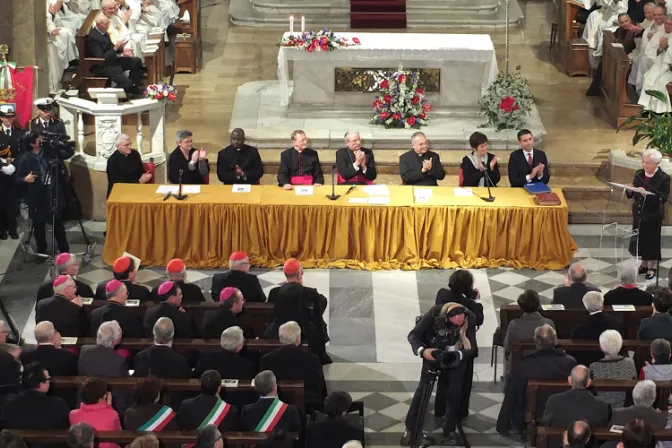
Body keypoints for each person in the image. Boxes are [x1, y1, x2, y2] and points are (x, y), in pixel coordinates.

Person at [401, 303, 476, 446]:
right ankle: (411, 429)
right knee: (422, 393)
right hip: (433, 356)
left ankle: (449, 430)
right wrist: (423, 351)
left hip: (455, 360)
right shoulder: (434, 313)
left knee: (454, 394)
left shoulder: (470, 317)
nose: (457, 328)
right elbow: (413, 335)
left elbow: (471, 346)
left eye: (459, 325)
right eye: (453, 325)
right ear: (445, 318)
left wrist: (457, 354)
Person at [496, 325, 577, 435]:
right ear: (555, 340)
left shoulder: (526, 364)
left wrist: (502, 425)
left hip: (533, 411)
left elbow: (513, 394)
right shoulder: (569, 362)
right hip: (561, 409)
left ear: (537, 342)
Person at [433, 270, 484, 416]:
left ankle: (440, 409)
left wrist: (468, 296)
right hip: (463, 348)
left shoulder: (442, 294)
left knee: (443, 380)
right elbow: (479, 319)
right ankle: (460, 412)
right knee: (464, 382)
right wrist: (475, 300)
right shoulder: (469, 305)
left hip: (443, 345)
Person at [15, 130, 74, 255]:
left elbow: (66, 154)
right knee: (39, 225)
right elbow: (17, 179)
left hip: (52, 192)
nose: (41, 141)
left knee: (57, 222)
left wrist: (67, 146)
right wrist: (25, 179)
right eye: (38, 139)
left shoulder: (48, 153)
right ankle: (41, 250)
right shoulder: (25, 159)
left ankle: (64, 250)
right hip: (37, 196)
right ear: (32, 144)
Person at [266, 258, 330, 364]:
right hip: (305, 332)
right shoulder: (310, 293)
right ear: (300, 274)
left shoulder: (274, 292)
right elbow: (322, 304)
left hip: (277, 330)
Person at [260, 321, 327, 411]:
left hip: (277, 402)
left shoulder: (267, 359)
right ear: (298, 339)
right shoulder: (312, 359)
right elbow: (318, 385)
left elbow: (264, 384)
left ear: (280, 339)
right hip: (307, 403)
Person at [541, 365, 612, 448]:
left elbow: (546, 423)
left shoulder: (553, 400)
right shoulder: (602, 405)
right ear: (589, 382)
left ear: (569, 380)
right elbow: (603, 427)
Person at [627, 149, 670, 279]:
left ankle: (652, 266)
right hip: (639, 212)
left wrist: (647, 194)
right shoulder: (639, 174)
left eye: (648, 163)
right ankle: (644, 264)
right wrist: (630, 190)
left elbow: (663, 198)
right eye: (644, 162)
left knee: (651, 240)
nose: (645, 165)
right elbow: (634, 191)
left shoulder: (663, 178)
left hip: (653, 214)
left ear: (656, 164)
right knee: (641, 239)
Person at [0, 363, 70, 436]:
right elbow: (66, 425)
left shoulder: (10, 404)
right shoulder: (58, 405)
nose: (49, 382)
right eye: (48, 379)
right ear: (41, 384)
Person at [503, 290, 555, 380]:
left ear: (521, 306)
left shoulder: (514, 324)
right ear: (538, 304)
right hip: (545, 364)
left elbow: (507, 346)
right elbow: (554, 344)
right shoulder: (549, 323)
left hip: (521, 363)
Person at [86, 13, 143, 95]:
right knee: (127, 83)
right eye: (106, 24)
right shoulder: (93, 37)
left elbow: (112, 48)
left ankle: (133, 88)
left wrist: (121, 49)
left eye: (108, 23)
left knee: (136, 61)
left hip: (112, 61)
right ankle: (107, 95)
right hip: (103, 66)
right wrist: (116, 48)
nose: (108, 26)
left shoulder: (104, 32)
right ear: (98, 25)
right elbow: (101, 58)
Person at [586, 13, 638, 95]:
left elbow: (628, 46)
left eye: (626, 21)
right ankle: (598, 89)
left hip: (628, 56)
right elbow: (613, 36)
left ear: (630, 20)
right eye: (622, 22)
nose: (624, 24)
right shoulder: (620, 30)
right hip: (619, 54)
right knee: (603, 62)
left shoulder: (634, 30)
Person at [589, 330, 637, 408]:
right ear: (620, 345)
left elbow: (591, 390)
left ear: (601, 347)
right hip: (624, 408)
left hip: (601, 408)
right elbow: (634, 382)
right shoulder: (630, 363)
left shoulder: (594, 366)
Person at [69, 378, 122, 448]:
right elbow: (119, 434)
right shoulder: (113, 415)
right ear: (104, 397)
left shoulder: (73, 414)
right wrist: (108, 407)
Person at [629, 5, 667, 93]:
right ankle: (639, 90)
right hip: (651, 56)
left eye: (659, 15)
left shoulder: (668, 27)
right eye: (655, 15)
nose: (657, 17)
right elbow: (645, 47)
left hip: (664, 59)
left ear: (665, 15)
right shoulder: (650, 28)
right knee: (642, 60)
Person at [638, 17, 672, 112]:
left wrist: (666, 48)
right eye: (666, 23)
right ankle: (648, 108)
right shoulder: (658, 35)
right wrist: (659, 49)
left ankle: (662, 111)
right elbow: (648, 51)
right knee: (647, 77)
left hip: (669, 69)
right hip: (658, 66)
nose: (668, 26)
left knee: (660, 82)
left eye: (670, 24)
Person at [105, 133, 152, 198]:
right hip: (120, 193)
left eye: (130, 144)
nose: (129, 147)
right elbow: (116, 183)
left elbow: (141, 171)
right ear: (118, 147)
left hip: (138, 189)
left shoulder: (135, 154)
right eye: (126, 145)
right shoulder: (112, 161)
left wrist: (145, 176)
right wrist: (138, 182)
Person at [582, 0, 628, 64]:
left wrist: (615, 2)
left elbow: (621, 9)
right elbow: (605, 4)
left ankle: (600, 53)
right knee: (593, 15)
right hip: (607, 11)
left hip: (617, 16)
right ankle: (588, 43)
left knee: (602, 25)